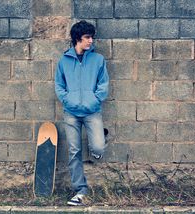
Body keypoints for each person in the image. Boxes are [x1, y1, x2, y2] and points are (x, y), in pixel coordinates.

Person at [55, 20, 109, 206]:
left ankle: (96, 148)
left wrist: (94, 99)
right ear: (78, 38)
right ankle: (81, 189)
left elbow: (103, 84)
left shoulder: (98, 60)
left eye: (92, 37)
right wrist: (67, 100)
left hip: (92, 111)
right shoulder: (64, 61)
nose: (91, 41)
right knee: (74, 151)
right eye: (87, 37)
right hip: (71, 113)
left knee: (99, 148)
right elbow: (59, 86)